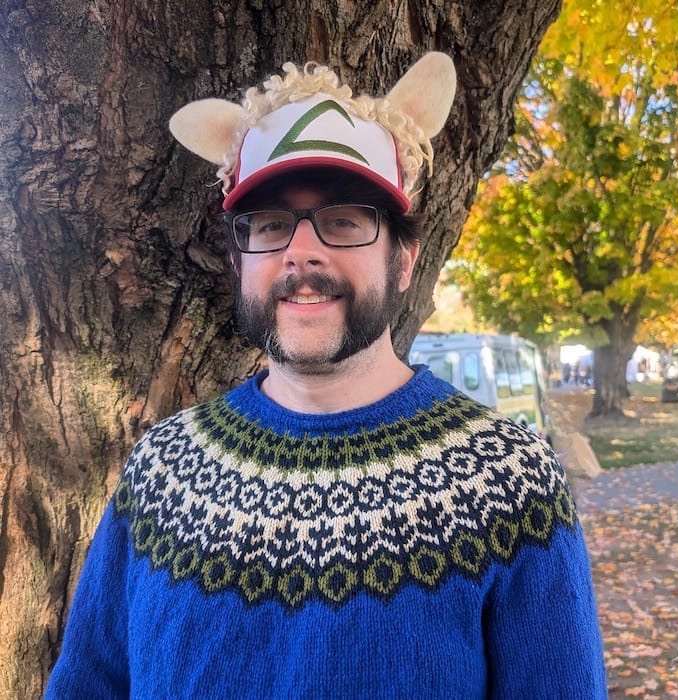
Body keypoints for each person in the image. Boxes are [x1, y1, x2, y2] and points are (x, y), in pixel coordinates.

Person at [46, 53, 607, 698]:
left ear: (404, 259)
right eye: (272, 223)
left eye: (344, 220)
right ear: (238, 260)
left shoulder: (509, 481)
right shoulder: (161, 470)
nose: (301, 251)